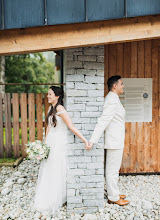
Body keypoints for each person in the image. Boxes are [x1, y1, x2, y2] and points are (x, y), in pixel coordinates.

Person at [34, 86, 88, 216]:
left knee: (57, 169)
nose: (48, 96)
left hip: (59, 144)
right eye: (48, 94)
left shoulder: (60, 109)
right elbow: (48, 128)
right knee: (49, 169)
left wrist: (85, 140)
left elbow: (71, 126)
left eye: (50, 94)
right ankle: (48, 196)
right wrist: (44, 145)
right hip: (51, 144)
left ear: (57, 96)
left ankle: (57, 198)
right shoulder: (50, 108)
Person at [88, 75, 129, 206]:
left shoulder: (113, 98)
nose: (123, 86)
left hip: (116, 140)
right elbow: (103, 121)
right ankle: (113, 197)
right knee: (112, 170)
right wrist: (92, 140)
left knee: (114, 169)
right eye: (121, 84)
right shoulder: (112, 100)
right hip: (114, 141)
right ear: (115, 86)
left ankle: (114, 192)